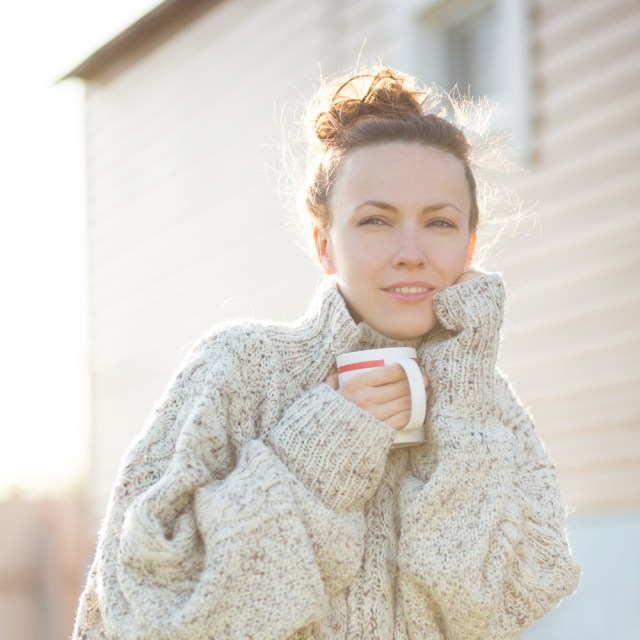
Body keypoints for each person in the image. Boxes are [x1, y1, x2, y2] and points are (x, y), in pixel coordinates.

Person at [73, 67, 580, 640]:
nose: (411, 252)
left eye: (438, 222)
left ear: (468, 245)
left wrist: (461, 410)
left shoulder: (490, 406)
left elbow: (486, 613)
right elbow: (146, 610)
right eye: (375, 220)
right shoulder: (242, 367)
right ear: (324, 245)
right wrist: (318, 454)